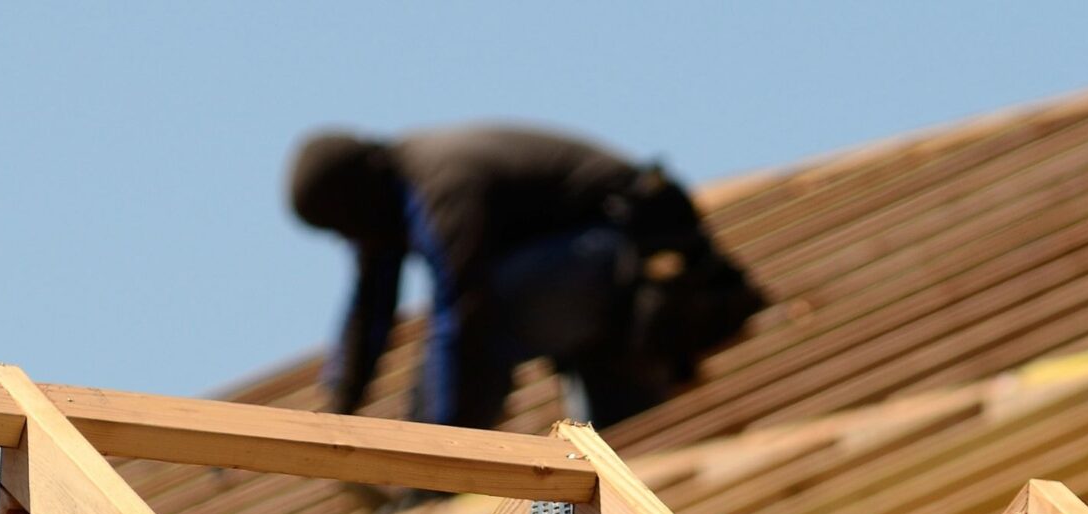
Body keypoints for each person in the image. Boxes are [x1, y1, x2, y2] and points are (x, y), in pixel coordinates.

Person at [286, 123, 762, 438]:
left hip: (627, 251)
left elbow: (464, 311)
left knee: (494, 308)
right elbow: (371, 305)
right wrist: (337, 408)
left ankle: (445, 467)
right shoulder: (391, 193)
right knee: (617, 438)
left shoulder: (441, 182)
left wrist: (439, 447)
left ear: (356, 198)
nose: (347, 238)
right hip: (590, 273)